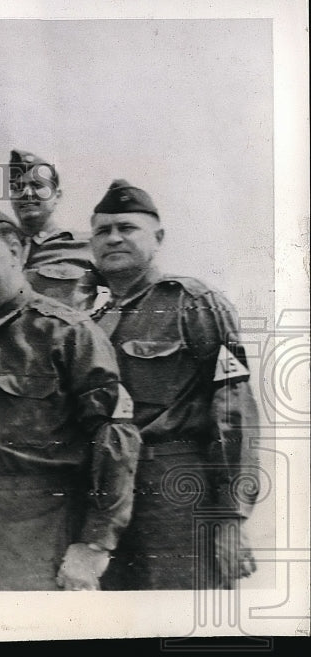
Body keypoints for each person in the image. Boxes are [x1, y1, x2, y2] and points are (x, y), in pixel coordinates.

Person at [0, 204, 140, 591]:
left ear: (15, 250)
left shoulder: (66, 332)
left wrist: (94, 543)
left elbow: (115, 441)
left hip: (37, 534)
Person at [88, 179, 260, 590]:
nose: (113, 238)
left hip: (176, 491)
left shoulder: (195, 304)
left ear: (158, 237)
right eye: (102, 231)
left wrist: (231, 517)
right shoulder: (91, 323)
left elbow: (232, 409)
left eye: (126, 228)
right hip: (104, 497)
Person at [7, 149, 102, 310]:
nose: (27, 193)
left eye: (37, 185)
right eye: (18, 187)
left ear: (57, 195)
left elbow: (127, 290)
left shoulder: (86, 246)